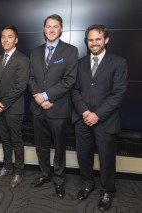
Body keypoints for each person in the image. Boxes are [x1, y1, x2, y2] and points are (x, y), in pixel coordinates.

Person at [72, 24, 127, 211]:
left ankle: (107, 191)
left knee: (106, 159)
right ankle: (87, 184)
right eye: (90, 40)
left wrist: (97, 115)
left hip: (106, 121)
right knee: (84, 156)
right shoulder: (80, 63)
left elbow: (118, 94)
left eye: (97, 39)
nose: (94, 43)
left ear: (106, 40)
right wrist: (85, 113)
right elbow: (75, 91)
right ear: (86, 42)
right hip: (82, 119)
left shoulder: (119, 63)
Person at [28, 14, 78, 198]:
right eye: (48, 26)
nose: (51, 30)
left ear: (61, 29)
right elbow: (31, 78)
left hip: (59, 109)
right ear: (43, 29)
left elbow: (70, 80)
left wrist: (47, 96)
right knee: (41, 146)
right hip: (38, 108)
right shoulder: (34, 52)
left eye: (55, 26)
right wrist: (40, 98)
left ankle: (59, 179)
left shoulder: (71, 51)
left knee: (59, 146)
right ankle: (44, 174)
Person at [0, 25, 30, 189]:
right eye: (3, 37)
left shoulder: (22, 59)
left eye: (9, 37)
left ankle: (19, 172)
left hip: (13, 109)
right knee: (4, 140)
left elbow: (20, 86)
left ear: (16, 39)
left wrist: (3, 103)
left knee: (16, 140)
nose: (5, 40)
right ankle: (7, 167)